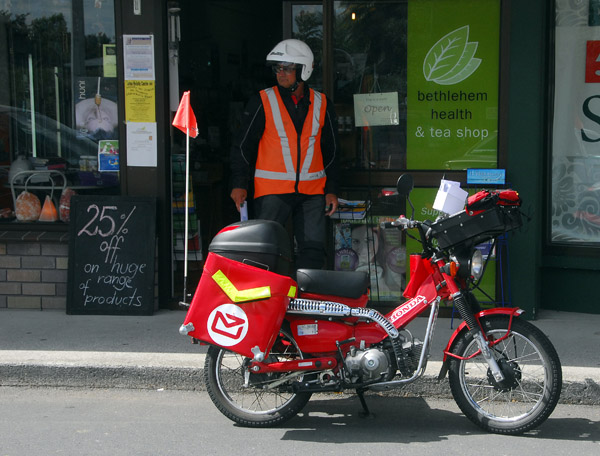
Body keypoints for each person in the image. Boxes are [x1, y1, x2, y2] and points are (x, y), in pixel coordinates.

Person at [230, 38, 340, 270]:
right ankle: (269, 300)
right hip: (272, 191)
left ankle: (308, 299)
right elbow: (243, 146)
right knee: (266, 248)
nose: (281, 74)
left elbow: (332, 151)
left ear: (304, 70)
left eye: (288, 68)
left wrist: (331, 190)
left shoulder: (322, 103)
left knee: (313, 248)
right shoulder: (262, 100)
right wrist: (239, 183)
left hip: (312, 192)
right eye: (278, 68)